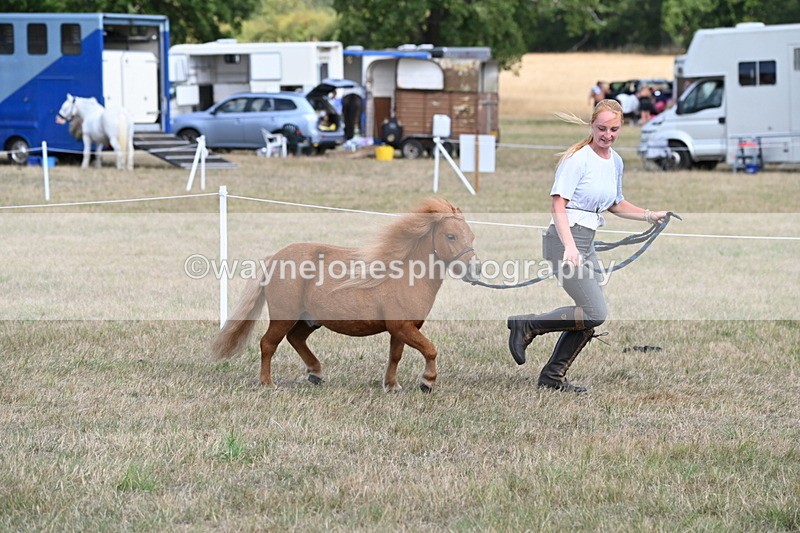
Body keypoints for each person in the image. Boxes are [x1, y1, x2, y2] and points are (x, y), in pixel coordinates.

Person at [507, 99, 669, 393]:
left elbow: (615, 203)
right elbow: (558, 204)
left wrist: (649, 215)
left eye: (614, 129)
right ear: (591, 125)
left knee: (587, 316)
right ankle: (527, 325)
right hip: (563, 241)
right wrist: (570, 247)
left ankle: (552, 377)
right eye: (602, 128)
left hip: (586, 241)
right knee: (594, 312)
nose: (607, 135)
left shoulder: (615, 161)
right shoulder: (577, 159)